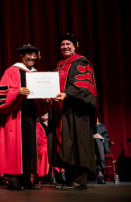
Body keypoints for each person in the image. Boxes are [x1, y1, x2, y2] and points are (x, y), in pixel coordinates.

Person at [48, 33, 98, 190]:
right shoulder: (59, 65)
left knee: (79, 143)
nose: (65, 47)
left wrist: (67, 94)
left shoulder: (80, 62)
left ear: (75, 46)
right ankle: (70, 179)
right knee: (66, 144)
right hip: (62, 112)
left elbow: (83, 84)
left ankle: (80, 180)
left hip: (77, 112)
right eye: (62, 45)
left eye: (68, 44)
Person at [0, 44, 41, 190]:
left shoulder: (36, 73)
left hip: (30, 116)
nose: (33, 58)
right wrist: (17, 92)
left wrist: (45, 99)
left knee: (29, 147)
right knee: (14, 148)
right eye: (29, 54)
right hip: (15, 117)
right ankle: (14, 179)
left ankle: (27, 178)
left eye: (34, 55)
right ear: (21, 56)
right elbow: (1, 96)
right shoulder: (11, 71)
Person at [93, 118, 110, 184]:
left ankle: (100, 173)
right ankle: (99, 173)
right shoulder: (88, 124)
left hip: (100, 143)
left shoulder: (101, 125)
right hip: (89, 144)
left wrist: (101, 138)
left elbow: (106, 137)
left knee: (98, 142)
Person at [36, 113, 50, 188]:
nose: (45, 114)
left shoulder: (51, 124)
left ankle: (60, 175)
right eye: (43, 112)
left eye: (46, 112)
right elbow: (37, 139)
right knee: (45, 150)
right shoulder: (38, 125)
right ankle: (43, 174)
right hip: (41, 146)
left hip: (50, 145)